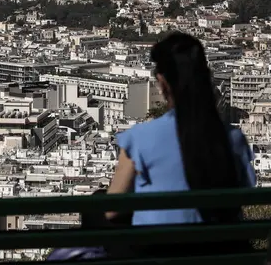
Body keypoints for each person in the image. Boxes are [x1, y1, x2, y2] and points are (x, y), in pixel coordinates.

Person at [107, 32, 255, 226]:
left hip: (158, 243)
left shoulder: (139, 138)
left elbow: (112, 210)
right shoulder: (233, 138)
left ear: (162, 82)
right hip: (221, 243)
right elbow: (245, 191)